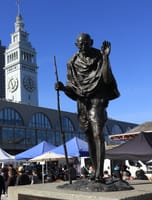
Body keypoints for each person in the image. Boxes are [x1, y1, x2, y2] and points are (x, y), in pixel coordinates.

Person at [55, 33, 120, 182]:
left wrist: (105, 58)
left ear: (91, 42)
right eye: (80, 44)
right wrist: (63, 88)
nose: (83, 46)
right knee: (89, 137)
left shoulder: (99, 56)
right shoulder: (71, 63)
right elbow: (73, 90)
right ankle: (95, 171)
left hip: (97, 99)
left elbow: (106, 79)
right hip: (82, 103)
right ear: (76, 45)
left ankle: (99, 173)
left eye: (86, 43)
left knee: (98, 135)